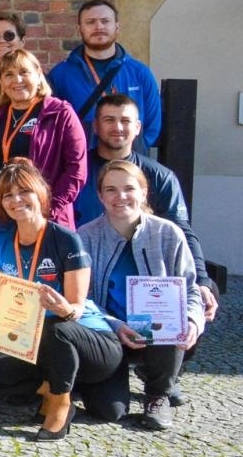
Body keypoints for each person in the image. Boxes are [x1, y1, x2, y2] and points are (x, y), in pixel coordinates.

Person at [0, 159, 121, 441]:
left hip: (90, 339)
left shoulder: (67, 241)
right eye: (7, 195)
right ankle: (51, 387)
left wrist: (61, 307)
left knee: (56, 330)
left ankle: (60, 403)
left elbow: (76, 309)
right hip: (34, 340)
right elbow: (5, 308)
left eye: (23, 191)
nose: (16, 200)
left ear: (40, 194)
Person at [77, 160, 204, 430]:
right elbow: (80, 299)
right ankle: (99, 377)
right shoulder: (85, 237)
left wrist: (193, 320)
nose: (120, 196)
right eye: (110, 189)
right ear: (100, 195)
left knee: (173, 319)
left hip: (158, 334)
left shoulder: (168, 233)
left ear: (143, 192)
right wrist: (114, 324)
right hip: (110, 334)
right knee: (108, 410)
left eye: (129, 188)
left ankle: (158, 394)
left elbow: (191, 289)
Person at [74, 96, 214, 321]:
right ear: (96, 126)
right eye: (109, 120)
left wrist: (202, 281)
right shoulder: (76, 170)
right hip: (88, 269)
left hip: (148, 277)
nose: (118, 127)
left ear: (138, 127)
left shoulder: (161, 176)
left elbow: (182, 231)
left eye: (126, 120)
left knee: (200, 296)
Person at [0, 48, 87, 234]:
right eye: (9, 74)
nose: (17, 80)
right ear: (0, 81)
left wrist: (48, 209)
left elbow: (76, 170)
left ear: (39, 75)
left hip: (41, 217)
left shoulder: (60, 113)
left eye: (24, 72)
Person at [48, 0, 163, 150]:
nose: (99, 27)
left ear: (117, 26)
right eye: (90, 22)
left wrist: (134, 151)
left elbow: (152, 124)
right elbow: (52, 124)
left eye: (105, 21)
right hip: (83, 165)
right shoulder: (60, 74)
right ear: (79, 29)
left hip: (127, 164)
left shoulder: (140, 72)